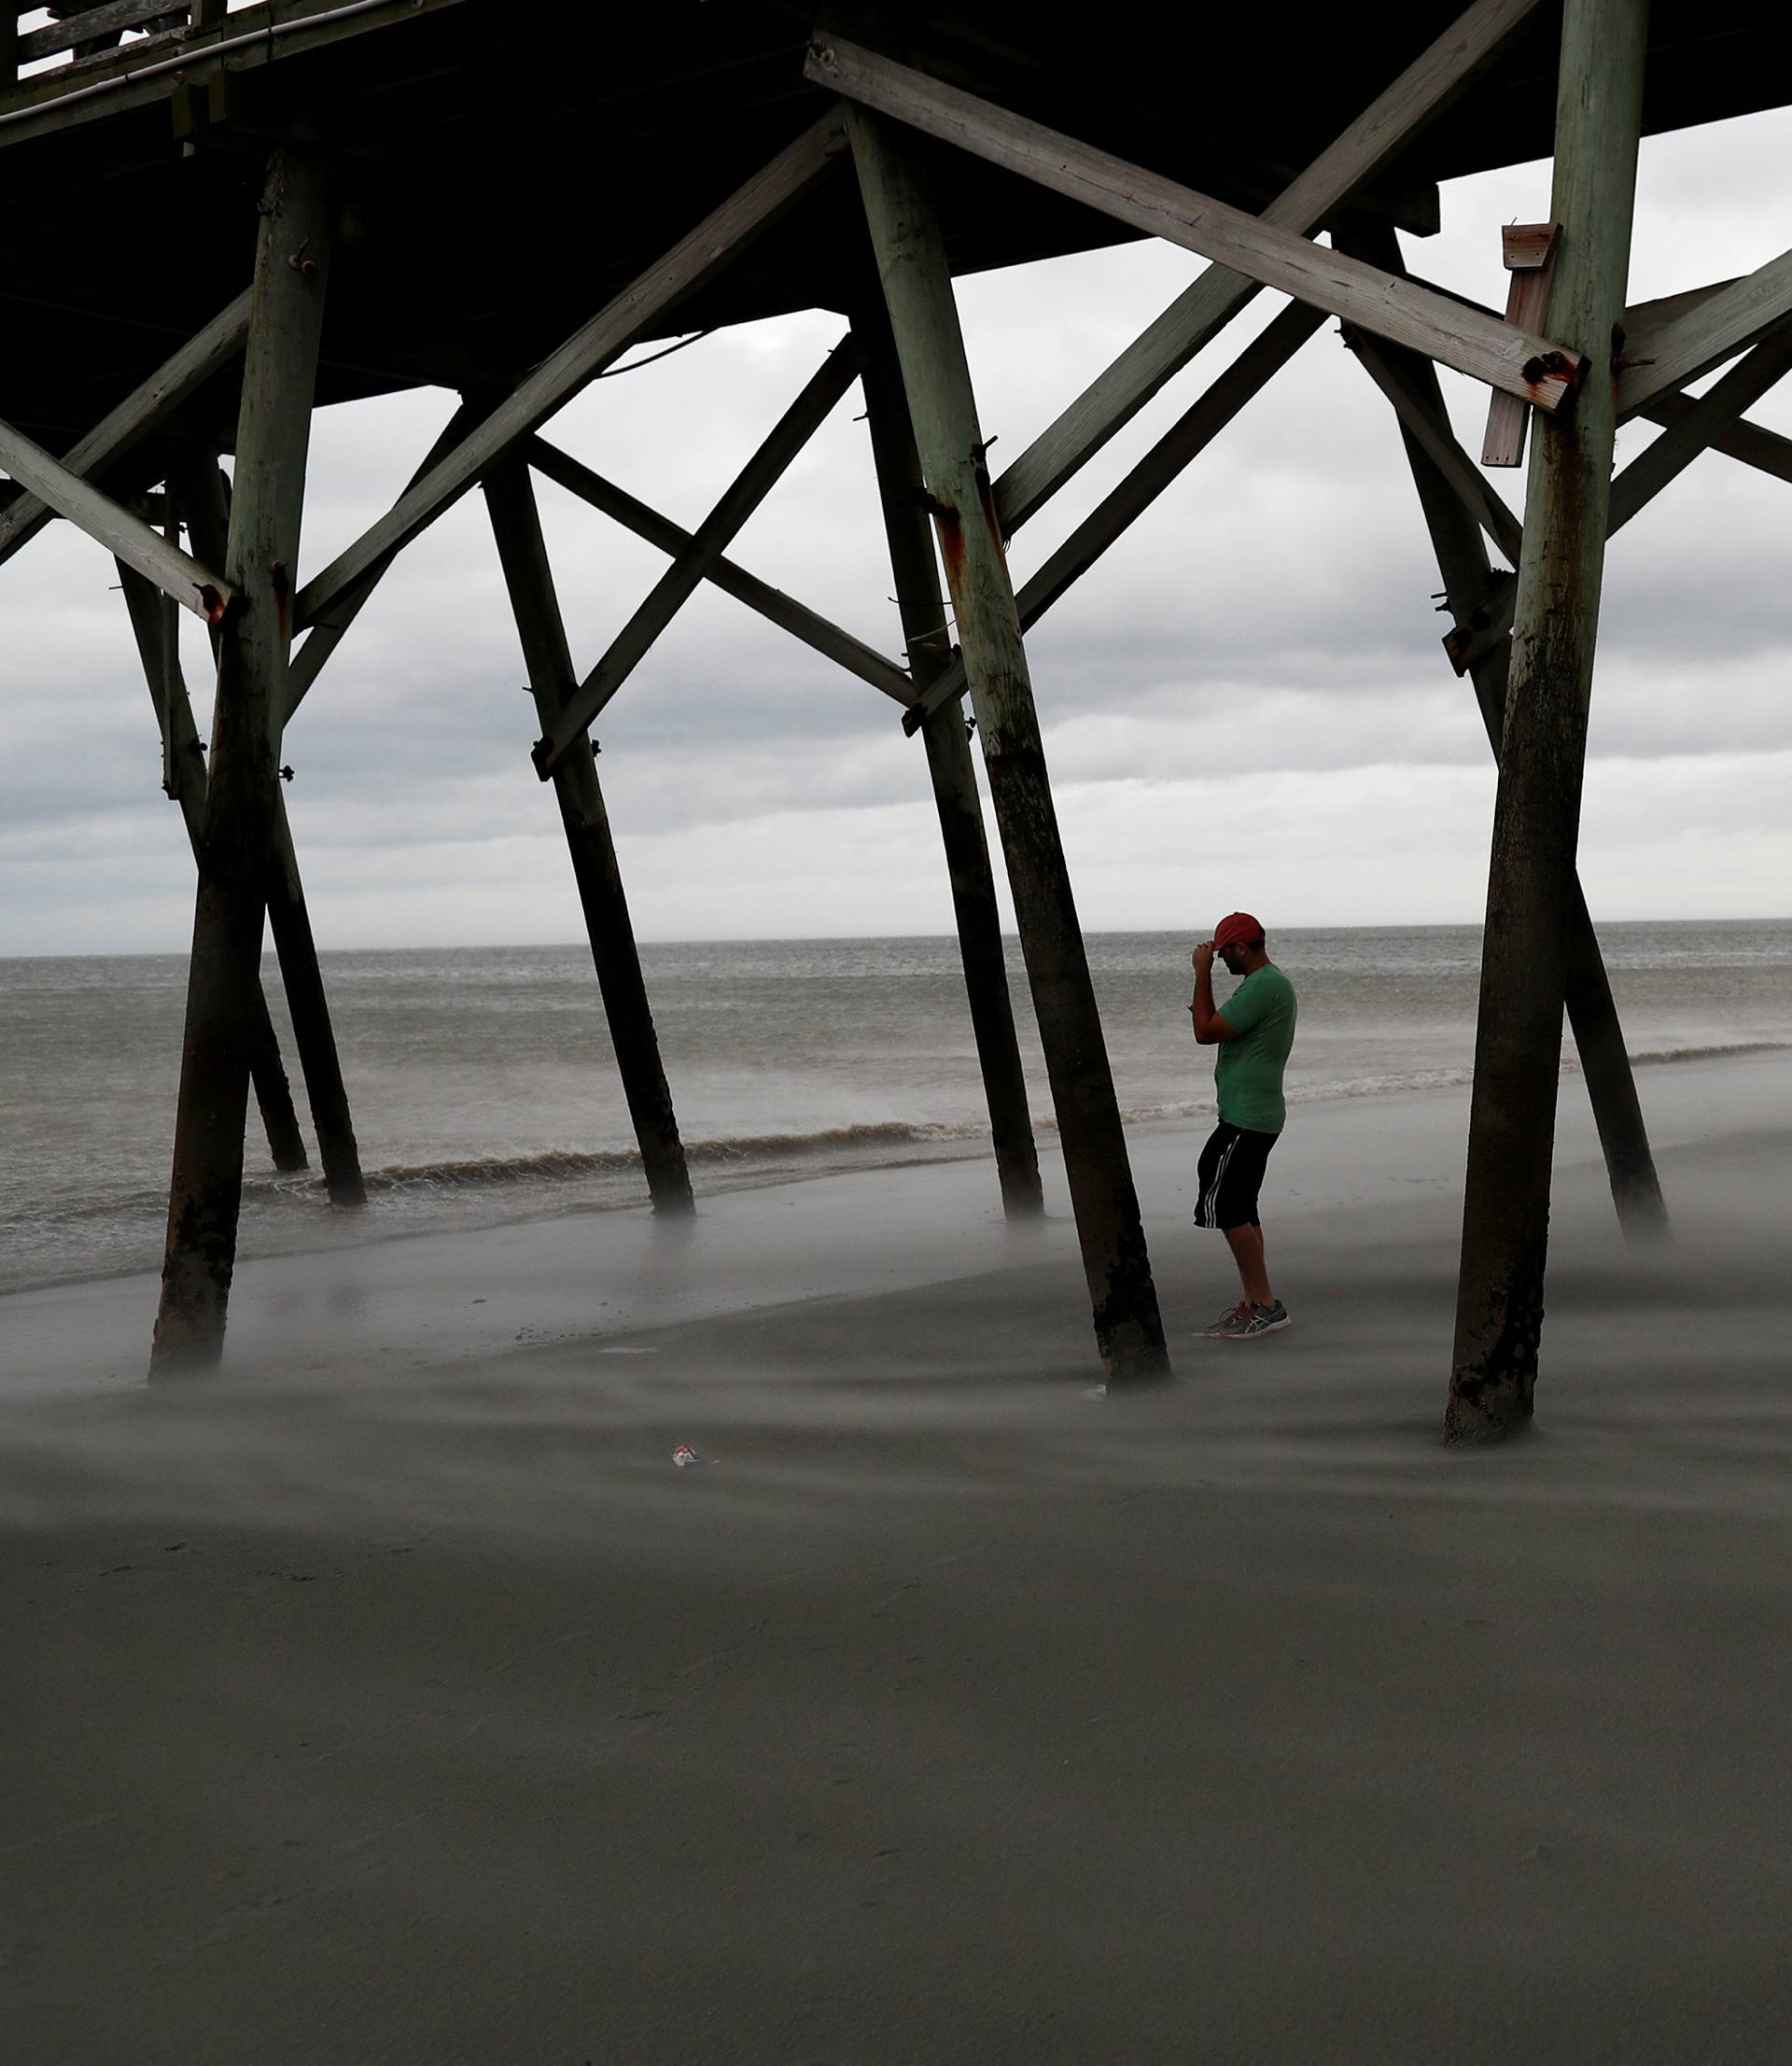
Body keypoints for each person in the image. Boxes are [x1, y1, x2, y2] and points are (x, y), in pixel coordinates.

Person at [1188, 912, 1297, 1340]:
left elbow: (1205, 1030)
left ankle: (1266, 1304)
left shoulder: (1265, 985)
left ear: (1239, 948)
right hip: (1251, 1113)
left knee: (1228, 1204)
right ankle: (1256, 1302)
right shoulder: (1263, 986)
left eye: (1221, 954)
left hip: (1248, 1116)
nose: (1218, 961)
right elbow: (1217, 1025)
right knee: (1241, 1205)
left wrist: (1200, 976)